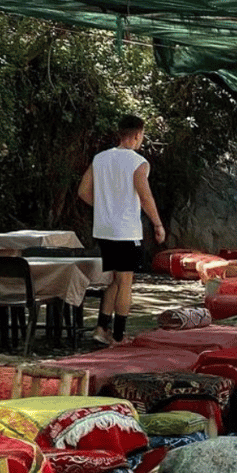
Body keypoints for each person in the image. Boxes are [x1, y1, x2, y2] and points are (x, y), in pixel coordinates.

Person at [77, 114, 164, 346]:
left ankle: (101, 328)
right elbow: (145, 197)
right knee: (126, 282)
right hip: (125, 230)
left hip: (104, 229)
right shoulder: (138, 163)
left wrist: (105, 206)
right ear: (137, 135)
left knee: (115, 280)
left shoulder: (100, 159)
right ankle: (119, 335)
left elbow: (83, 192)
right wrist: (157, 224)